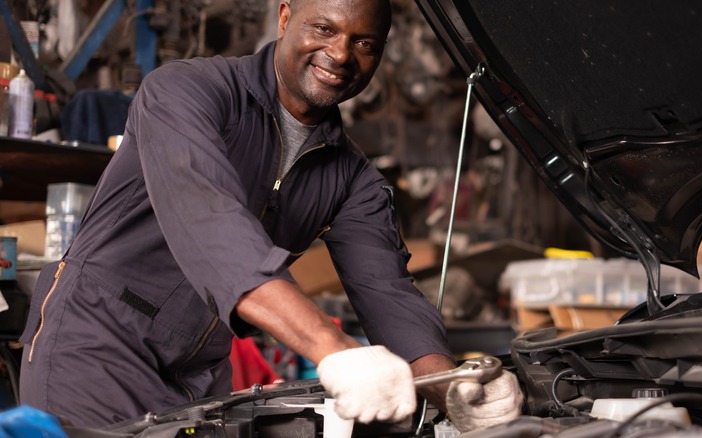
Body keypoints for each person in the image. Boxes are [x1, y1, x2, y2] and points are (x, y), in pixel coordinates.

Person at [19, 0, 521, 432]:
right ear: (285, 18)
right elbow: (212, 226)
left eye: (365, 43)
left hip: (197, 371)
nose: (341, 54)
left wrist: (452, 387)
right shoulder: (183, 92)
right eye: (324, 28)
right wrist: (332, 347)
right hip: (94, 343)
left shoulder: (352, 178)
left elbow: (388, 293)